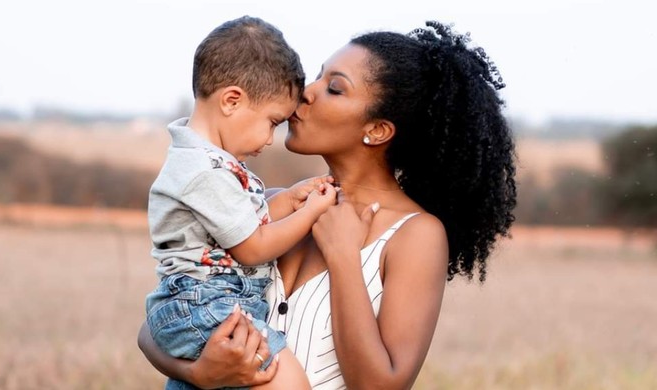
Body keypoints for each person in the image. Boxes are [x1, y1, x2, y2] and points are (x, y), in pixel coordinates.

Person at [139, 20, 517, 389]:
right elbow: (160, 319)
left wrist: (343, 257)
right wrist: (199, 373)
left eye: (334, 88)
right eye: (317, 76)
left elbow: (379, 385)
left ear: (377, 130)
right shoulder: (272, 208)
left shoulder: (415, 235)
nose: (306, 92)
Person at [144, 15, 337, 390]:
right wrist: (312, 211)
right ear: (232, 100)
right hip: (206, 306)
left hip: (204, 305)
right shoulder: (204, 171)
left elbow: (246, 220)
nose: (270, 139)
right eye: (272, 121)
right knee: (288, 382)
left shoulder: (212, 161)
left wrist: (290, 199)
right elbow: (252, 247)